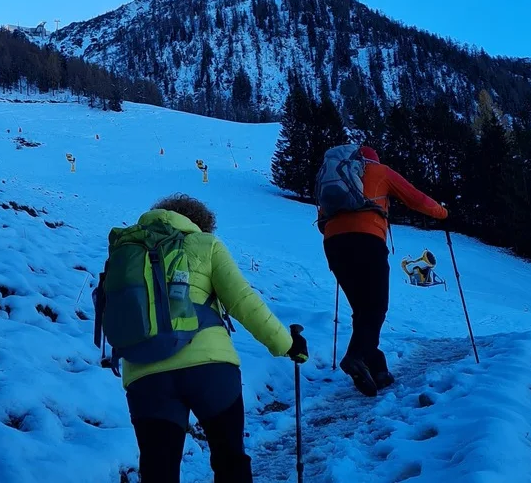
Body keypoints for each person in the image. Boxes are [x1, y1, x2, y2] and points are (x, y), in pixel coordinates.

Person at [104, 194, 307, 483]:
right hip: (210, 369)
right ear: (199, 222)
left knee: (158, 471)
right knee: (230, 460)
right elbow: (244, 302)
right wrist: (287, 344)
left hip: (145, 374)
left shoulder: (127, 253)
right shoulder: (205, 244)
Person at [319, 146, 447, 396]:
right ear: (373, 160)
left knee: (363, 309)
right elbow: (416, 199)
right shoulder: (380, 172)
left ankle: (377, 369)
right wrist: (442, 212)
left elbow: (322, 221)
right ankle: (355, 357)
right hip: (367, 241)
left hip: (334, 245)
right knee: (376, 307)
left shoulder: (334, 179)